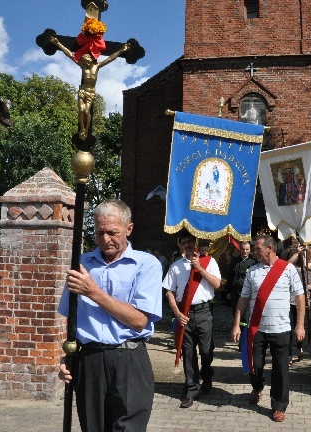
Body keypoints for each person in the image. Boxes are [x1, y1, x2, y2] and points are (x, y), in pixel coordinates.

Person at [57, 199, 163, 432]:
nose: (106, 240)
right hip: (90, 360)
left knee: (129, 428)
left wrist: (93, 292)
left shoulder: (146, 265)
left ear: (129, 229)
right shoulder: (82, 264)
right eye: (100, 232)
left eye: (113, 232)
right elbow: (70, 317)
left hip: (129, 358)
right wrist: (65, 356)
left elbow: (139, 320)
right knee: (92, 427)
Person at [231, 235, 305, 423]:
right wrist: (237, 324)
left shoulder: (288, 269)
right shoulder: (252, 272)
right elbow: (243, 299)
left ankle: (279, 405)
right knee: (255, 366)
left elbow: (300, 297)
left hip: (281, 329)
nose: (255, 252)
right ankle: (257, 387)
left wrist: (300, 325)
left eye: (258, 249)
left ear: (270, 248)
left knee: (280, 369)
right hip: (257, 328)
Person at [163, 231, 222, 408]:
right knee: (188, 353)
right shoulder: (175, 267)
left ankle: (207, 375)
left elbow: (217, 284)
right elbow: (169, 292)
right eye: (184, 242)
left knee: (206, 350)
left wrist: (200, 268)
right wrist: (176, 312)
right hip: (184, 313)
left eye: (190, 241)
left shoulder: (209, 261)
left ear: (196, 242)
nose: (188, 245)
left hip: (204, 311)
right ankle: (191, 389)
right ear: (180, 245)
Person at [50, 36, 131, 141]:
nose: (84, 61)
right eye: (83, 60)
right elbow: (70, 55)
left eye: (86, 60)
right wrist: (58, 44)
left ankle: (86, 130)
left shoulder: (96, 67)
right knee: (81, 110)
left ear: (90, 59)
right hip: (83, 90)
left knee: (87, 111)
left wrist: (121, 50)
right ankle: (82, 129)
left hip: (91, 92)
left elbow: (110, 58)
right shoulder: (83, 67)